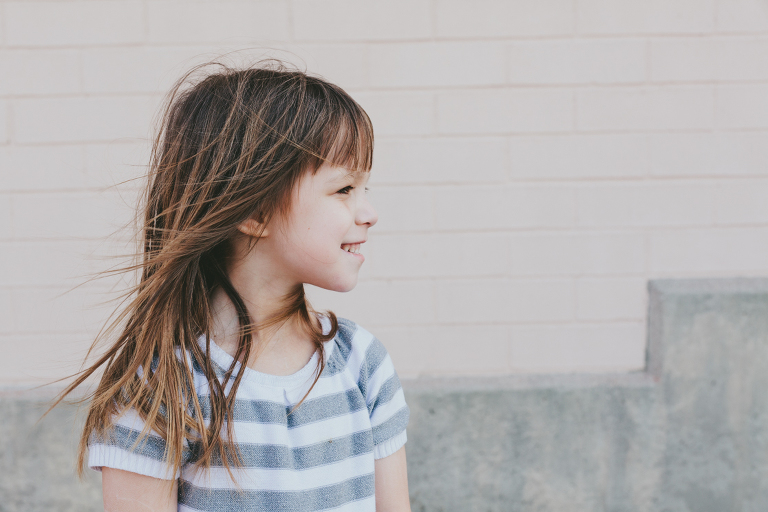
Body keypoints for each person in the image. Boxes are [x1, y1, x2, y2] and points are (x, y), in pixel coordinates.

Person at [55, 61, 411, 511]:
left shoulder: (362, 364)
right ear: (254, 213)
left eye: (365, 188)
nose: (369, 212)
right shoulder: (161, 388)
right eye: (343, 189)